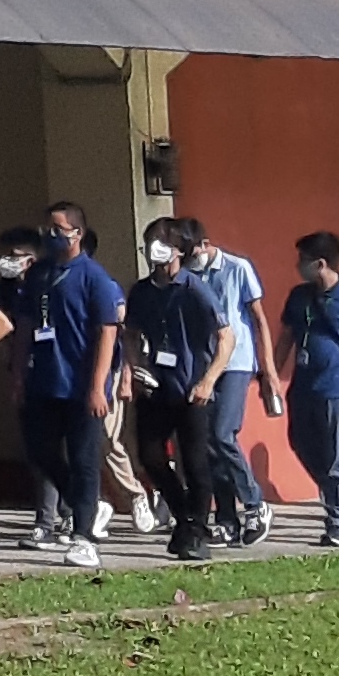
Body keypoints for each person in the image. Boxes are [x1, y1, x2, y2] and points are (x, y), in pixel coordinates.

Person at [15, 204, 126, 570]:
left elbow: (107, 332)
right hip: (44, 382)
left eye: (58, 228)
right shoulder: (38, 275)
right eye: (47, 227)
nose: (50, 234)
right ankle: (86, 503)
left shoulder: (94, 277)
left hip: (81, 386)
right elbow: (26, 324)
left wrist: (98, 386)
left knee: (84, 461)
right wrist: (18, 374)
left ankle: (83, 536)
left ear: (76, 234)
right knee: (40, 452)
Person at [274, 228, 339, 549]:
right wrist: (271, 376)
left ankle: (338, 523)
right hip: (304, 385)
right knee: (301, 444)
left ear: (321, 263)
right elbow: (286, 337)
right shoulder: (299, 296)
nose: (298, 265)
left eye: (303, 260)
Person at [180, 212, 273, 549]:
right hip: (204, 364)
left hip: (235, 362)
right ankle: (226, 519)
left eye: (192, 252)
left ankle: (254, 503)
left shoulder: (237, 268)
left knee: (223, 434)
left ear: (205, 244)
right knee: (207, 441)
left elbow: (259, 320)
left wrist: (269, 371)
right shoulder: (187, 276)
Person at [121, 221, 209, 560]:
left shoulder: (194, 289)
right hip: (157, 387)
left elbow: (226, 336)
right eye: (148, 242)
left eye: (160, 243)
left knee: (195, 462)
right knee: (150, 455)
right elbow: (130, 332)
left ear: (179, 251)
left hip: (191, 388)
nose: (152, 249)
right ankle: (185, 514)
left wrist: (209, 380)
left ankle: (196, 530)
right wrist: (134, 364)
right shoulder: (141, 291)